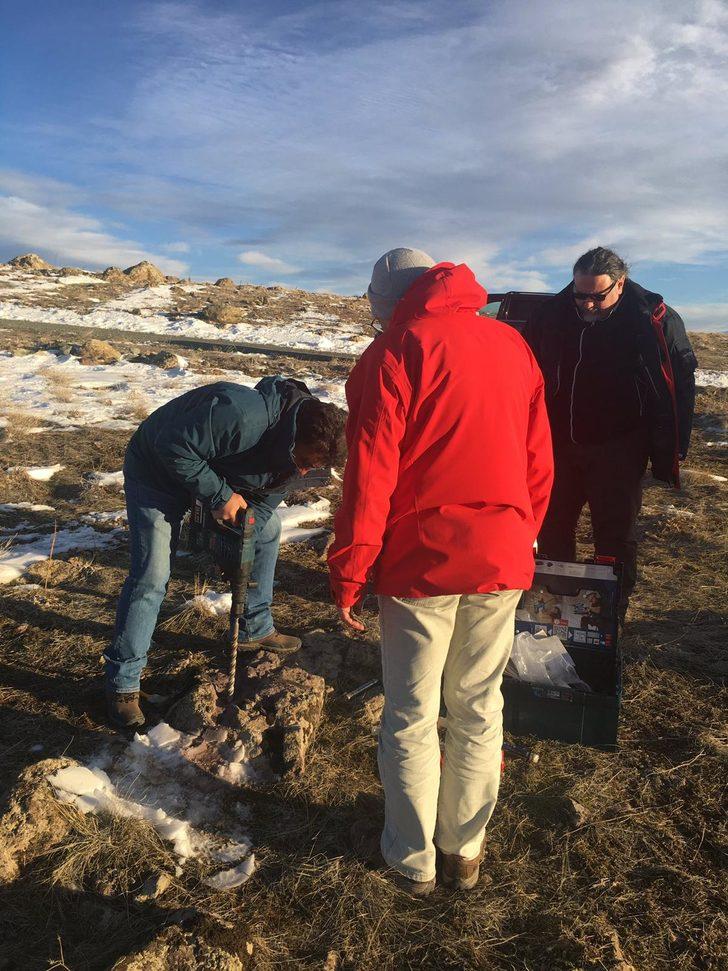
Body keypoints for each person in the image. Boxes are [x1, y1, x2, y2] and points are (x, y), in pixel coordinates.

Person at [328, 248, 553, 896]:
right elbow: (539, 459)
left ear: (385, 304)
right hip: (505, 552)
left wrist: (350, 570)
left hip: (421, 565)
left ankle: (412, 858)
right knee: (480, 707)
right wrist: (520, 532)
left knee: (411, 713)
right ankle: (465, 851)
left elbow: (370, 478)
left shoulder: (393, 353)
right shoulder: (512, 344)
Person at [105, 376, 346, 729]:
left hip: (211, 473)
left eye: (313, 467)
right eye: (306, 461)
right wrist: (219, 497)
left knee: (267, 531)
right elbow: (171, 445)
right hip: (155, 471)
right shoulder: (243, 415)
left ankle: (254, 628)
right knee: (152, 576)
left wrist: (239, 541)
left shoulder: (303, 453)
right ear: (295, 437)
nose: (306, 471)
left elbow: (263, 505)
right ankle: (122, 685)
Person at [524, 246, 697, 619]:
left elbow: (678, 385)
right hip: (557, 443)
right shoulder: (551, 315)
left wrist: (671, 447)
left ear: (620, 284)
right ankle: (555, 604)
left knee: (614, 533)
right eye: (579, 294)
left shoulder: (651, 319)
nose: (586, 304)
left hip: (620, 446)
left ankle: (611, 610)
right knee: (552, 527)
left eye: (596, 297)